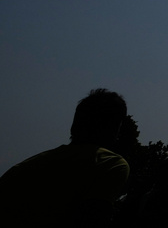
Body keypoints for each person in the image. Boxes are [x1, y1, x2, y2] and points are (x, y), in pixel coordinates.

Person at [0, 88, 130, 227]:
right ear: (115, 128)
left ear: (75, 124)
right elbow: (94, 220)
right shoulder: (111, 165)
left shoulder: (20, 170)